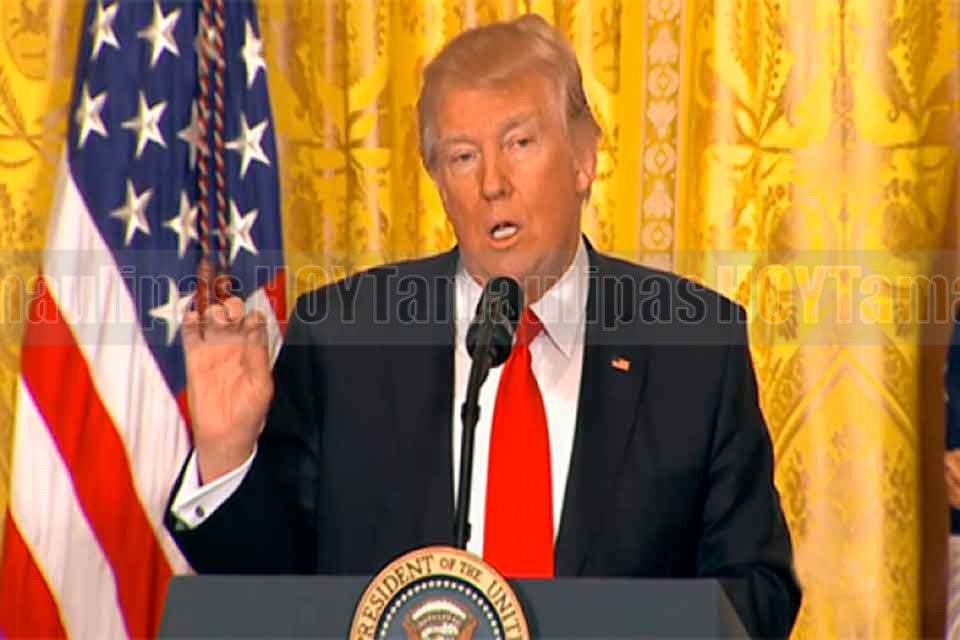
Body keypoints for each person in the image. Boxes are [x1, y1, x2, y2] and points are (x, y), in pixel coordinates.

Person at [165, 14, 801, 638]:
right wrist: (227, 453)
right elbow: (268, 592)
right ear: (440, 184)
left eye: (520, 144)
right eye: (463, 156)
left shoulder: (693, 346)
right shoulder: (343, 339)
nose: (493, 183)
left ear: (584, 158)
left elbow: (758, 590)